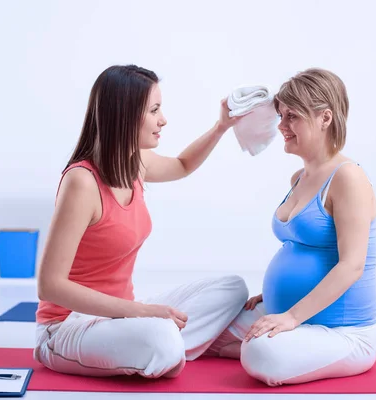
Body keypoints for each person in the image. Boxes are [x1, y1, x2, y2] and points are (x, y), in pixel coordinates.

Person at [33, 65, 249, 379]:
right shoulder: (82, 182)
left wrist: (221, 126)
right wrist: (143, 312)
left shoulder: (135, 163)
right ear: (125, 115)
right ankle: (189, 343)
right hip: (68, 327)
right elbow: (49, 286)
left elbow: (183, 165)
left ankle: (175, 343)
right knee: (161, 341)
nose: (163, 120)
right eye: (154, 110)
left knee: (232, 288)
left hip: (121, 318)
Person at [206, 68, 376, 386]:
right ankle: (242, 345)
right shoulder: (298, 178)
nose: (282, 126)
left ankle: (252, 348)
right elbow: (300, 248)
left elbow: (352, 266)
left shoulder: (348, 178)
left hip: (341, 332)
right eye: (281, 116)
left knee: (263, 355)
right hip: (285, 314)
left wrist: (291, 316)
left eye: (292, 117)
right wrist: (274, 293)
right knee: (203, 332)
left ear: (325, 118)